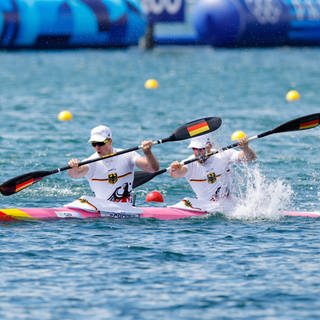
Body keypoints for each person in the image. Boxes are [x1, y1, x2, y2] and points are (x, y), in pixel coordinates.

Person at [68, 125, 159, 204]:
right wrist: (73, 167)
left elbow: (152, 169)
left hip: (127, 209)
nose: (97, 147)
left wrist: (147, 152)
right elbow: (75, 175)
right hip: (102, 212)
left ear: (110, 141)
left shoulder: (127, 155)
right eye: (94, 144)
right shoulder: (91, 162)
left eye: (100, 143)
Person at [169, 135, 256, 212]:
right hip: (204, 205)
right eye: (195, 149)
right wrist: (174, 169)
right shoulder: (188, 163)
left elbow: (250, 157)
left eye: (202, 149)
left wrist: (245, 148)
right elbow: (176, 174)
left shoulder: (223, 155)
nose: (198, 153)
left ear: (209, 146)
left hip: (228, 203)